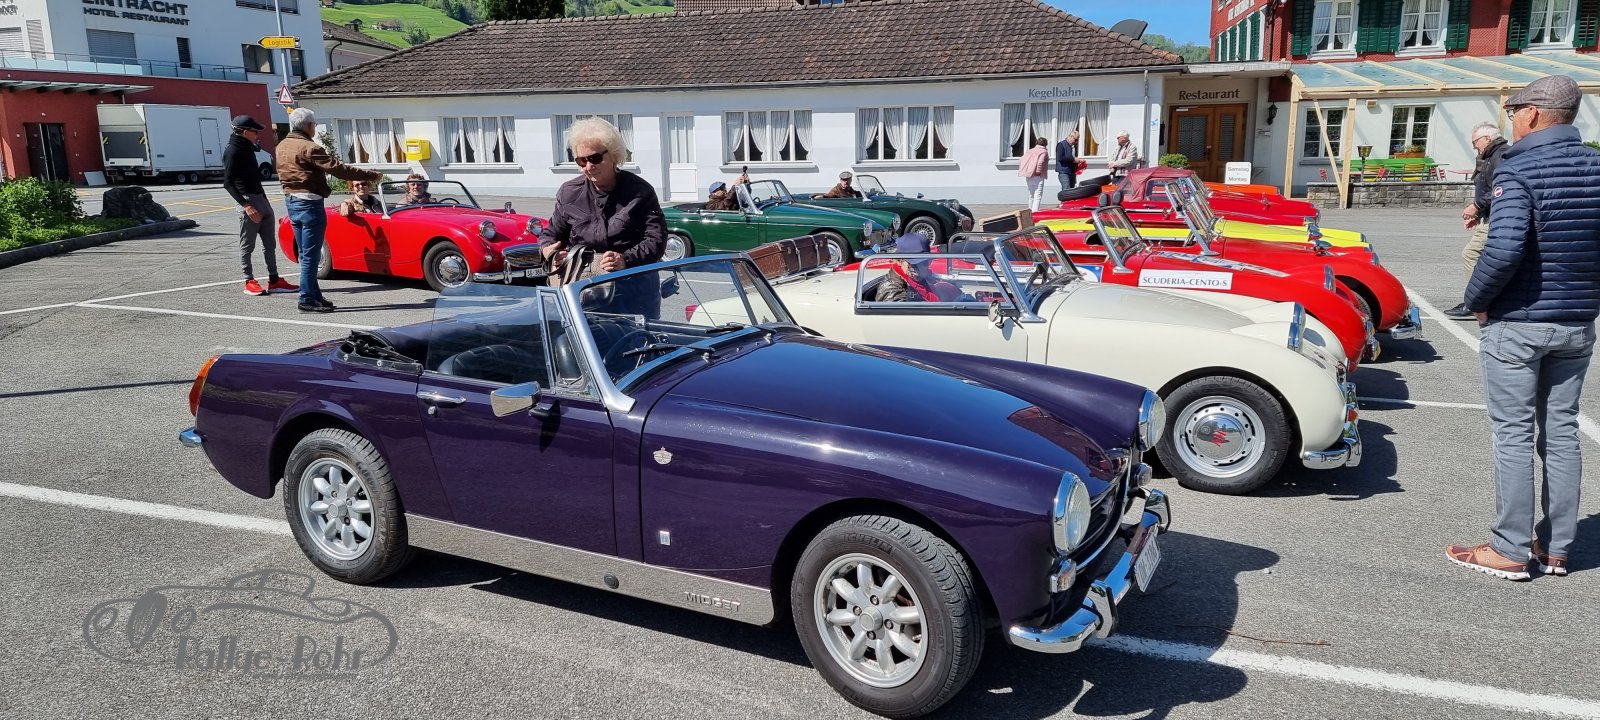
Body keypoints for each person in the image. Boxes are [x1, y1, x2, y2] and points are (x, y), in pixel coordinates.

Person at [1448, 75, 1600, 581]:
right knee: (1561, 432)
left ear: (1533, 113)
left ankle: (1510, 547)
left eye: (1514, 111)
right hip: (1576, 323)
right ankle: (1556, 546)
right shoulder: (1595, 166)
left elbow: (1504, 248)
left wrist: (1476, 301)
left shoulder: (1519, 167)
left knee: (1512, 435)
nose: (1512, 119)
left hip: (1519, 322)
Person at [543, 116, 666, 313]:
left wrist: (626, 259)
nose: (588, 166)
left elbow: (656, 240)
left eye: (595, 158)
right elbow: (550, 235)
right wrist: (549, 252)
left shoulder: (641, 192)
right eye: (581, 161)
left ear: (614, 155)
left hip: (634, 295)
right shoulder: (569, 193)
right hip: (584, 295)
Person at [275, 107, 383, 313]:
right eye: (314, 124)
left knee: (306, 254)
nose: (314, 127)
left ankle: (314, 295)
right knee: (311, 256)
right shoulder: (309, 147)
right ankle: (306, 299)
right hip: (309, 203)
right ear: (309, 126)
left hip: (292, 201)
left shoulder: (282, 145)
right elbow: (338, 169)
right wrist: (370, 175)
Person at [222, 114, 294, 297]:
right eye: (254, 131)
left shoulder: (248, 149)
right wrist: (246, 205)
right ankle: (249, 280)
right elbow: (228, 183)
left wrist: (264, 200)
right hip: (248, 201)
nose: (257, 135)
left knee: (270, 243)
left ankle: (274, 280)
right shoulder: (232, 151)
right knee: (247, 245)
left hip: (261, 199)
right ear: (244, 132)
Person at [1444, 123, 1510, 319]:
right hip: (1489, 215)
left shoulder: (1500, 156)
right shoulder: (1492, 155)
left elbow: (1500, 189)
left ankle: (1476, 302)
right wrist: (1479, 214)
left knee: (1471, 254)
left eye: (1475, 142)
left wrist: (1477, 206)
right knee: (1481, 257)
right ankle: (1479, 300)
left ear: (1487, 139)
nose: (1474, 146)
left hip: (1496, 217)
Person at [873, 232, 940, 302]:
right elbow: (898, 305)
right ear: (899, 261)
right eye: (914, 264)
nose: (920, 269)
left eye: (925, 262)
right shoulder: (892, 290)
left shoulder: (920, 278)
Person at [1018, 137, 1049, 212]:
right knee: (1037, 195)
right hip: (1038, 175)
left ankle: (1030, 211)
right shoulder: (1043, 152)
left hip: (1029, 174)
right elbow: (1040, 162)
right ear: (1045, 144)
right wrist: (1038, 171)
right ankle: (1034, 212)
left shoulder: (1029, 151)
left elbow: (1021, 160)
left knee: (1031, 195)